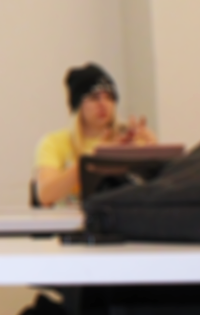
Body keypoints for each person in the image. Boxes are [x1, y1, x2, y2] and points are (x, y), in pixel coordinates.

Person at [34, 63, 156, 207]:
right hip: (73, 226)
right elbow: (46, 195)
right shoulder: (54, 142)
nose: (103, 104)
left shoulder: (128, 138)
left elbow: (154, 191)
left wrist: (153, 153)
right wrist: (92, 160)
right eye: (94, 97)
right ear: (78, 105)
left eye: (109, 97)